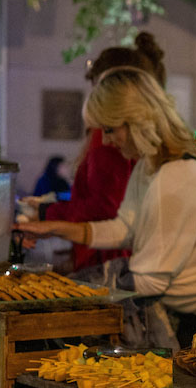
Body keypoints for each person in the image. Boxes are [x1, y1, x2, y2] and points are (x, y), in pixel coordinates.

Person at [18, 67, 196, 346]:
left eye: (110, 129)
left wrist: (72, 293)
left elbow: (150, 282)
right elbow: (125, 227)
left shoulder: (176, 177)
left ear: (136, 121)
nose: (105, 140)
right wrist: (57, 228)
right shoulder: (151, 165)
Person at [21, 34, 166, 272]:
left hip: (110, 261)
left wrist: (49, 213)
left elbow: (108, 209)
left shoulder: (112, 135)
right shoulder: (136, 143)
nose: (108, 137)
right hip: (119, 259)